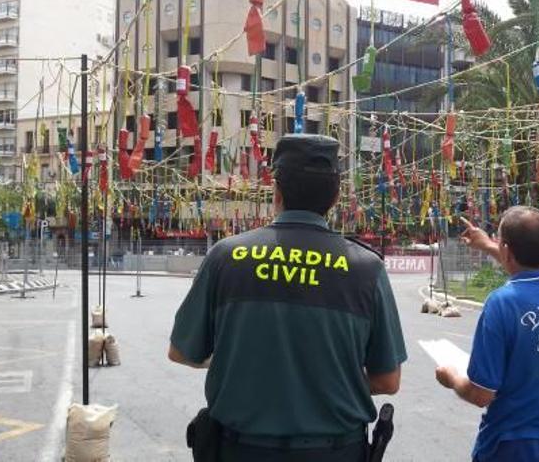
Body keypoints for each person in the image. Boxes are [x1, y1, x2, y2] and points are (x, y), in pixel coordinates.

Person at [169, 134, 407, 462]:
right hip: (334, 453)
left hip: (241, 451)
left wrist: (241, 364)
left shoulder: (225, 256)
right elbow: (387, 380)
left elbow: (181, 351)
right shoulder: (367, 269)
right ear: (336, 196)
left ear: (276, 192)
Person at [436, 206, 539, 462]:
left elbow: (481, 394)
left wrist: (451, 377)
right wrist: (489, 245)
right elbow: (532, 272)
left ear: (506, 251)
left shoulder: (502, 304)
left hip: (513, 446)